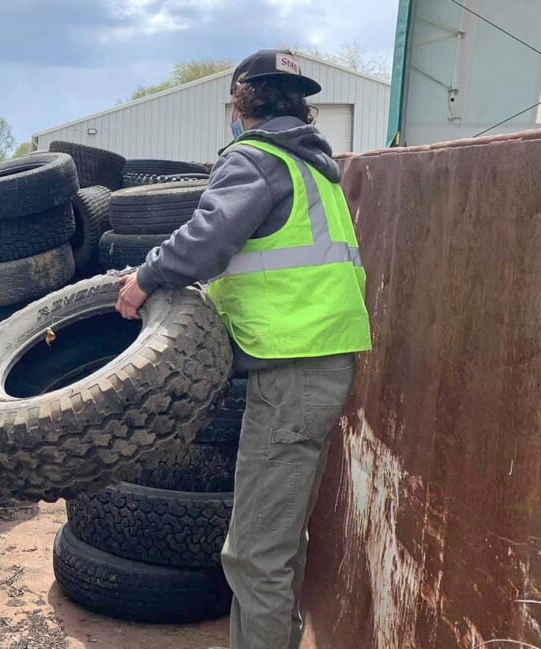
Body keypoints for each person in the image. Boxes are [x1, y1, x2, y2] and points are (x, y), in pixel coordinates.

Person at [116, 50, 372, 649]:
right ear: (298, 103)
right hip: (315, 361)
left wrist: (145, 278)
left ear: (239, 100)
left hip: (294, 371)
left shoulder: (256, 159)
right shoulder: (312, 166)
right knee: (278, 542)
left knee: (254, 553)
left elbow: (205, 242)